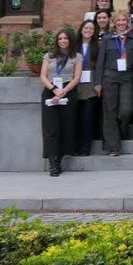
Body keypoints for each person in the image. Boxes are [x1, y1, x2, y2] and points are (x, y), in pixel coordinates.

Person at [96, 10, 133, 157]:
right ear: (114, 23)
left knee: (126, 110)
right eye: (118, 20)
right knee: (110, 111)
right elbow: (100, 62)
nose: (121, 23)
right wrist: (98, 82)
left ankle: (122, 131)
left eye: (124, 20)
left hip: (127, 77)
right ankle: (113, 146)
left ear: (128, 22)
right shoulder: (107, 39)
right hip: (110, 77)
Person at [39, 28, 81, 176]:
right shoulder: (49, 56)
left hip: (68, 92)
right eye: (60, 39)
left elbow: (76, 77)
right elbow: (43, 76)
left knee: (65, 127)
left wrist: (63, 91)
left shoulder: (77, 57)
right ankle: (52, 163)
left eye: (65, 38)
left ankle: (59, 161)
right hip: (50, 92)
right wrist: (54, 89)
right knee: (50, 129)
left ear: (70, 40)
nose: (63, 41)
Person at [72, 20, 101, 157]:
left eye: (91, 29)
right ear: (81, 29)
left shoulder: (98, 45)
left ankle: (85, 147)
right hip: (76, 82)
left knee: (88, 117)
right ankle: (75, 146)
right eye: (86, 28)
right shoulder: (74, 45)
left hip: (91, 83)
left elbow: (100, 66)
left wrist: (99, 83)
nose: (88, 31)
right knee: (76, 117)